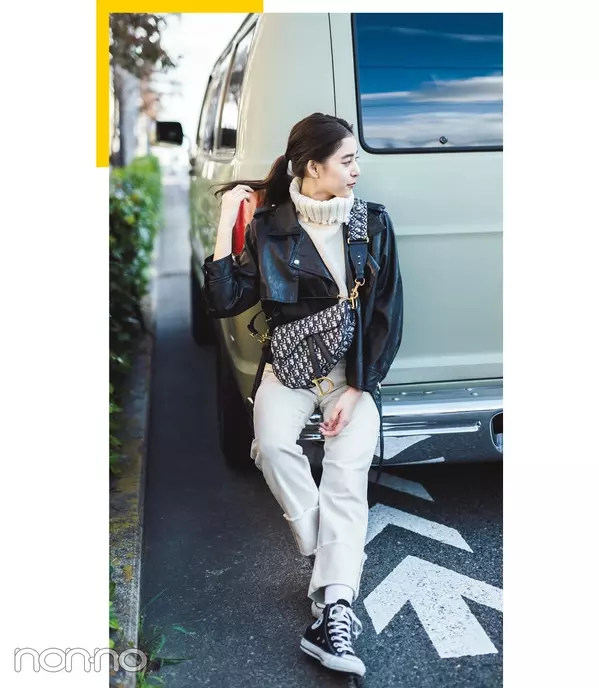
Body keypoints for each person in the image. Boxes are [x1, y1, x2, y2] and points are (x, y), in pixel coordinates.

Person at [202, 112, 403, 678]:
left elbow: (386, 315)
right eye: (348, 160)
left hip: (350, 375)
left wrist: (359, 389)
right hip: (287, 370)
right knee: (270, 445)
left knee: (347, 472)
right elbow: (224, 301)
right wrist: (228, 220)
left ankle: (334, 607)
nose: (357, 170)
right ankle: (328, 556)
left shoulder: (372, 223)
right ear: (313, 167)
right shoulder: (270, 226)